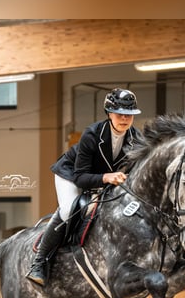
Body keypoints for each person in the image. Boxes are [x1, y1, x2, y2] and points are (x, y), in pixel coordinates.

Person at [27, 88, 143, 286]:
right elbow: (81, 177)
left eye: (129, 115)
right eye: (120, 114)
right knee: (67, 210)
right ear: (109, 113)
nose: (125, 119)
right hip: (71, 175)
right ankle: (40, 263)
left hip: (107, 179)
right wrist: (106, 177)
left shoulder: (136, 138)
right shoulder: (92, 134)